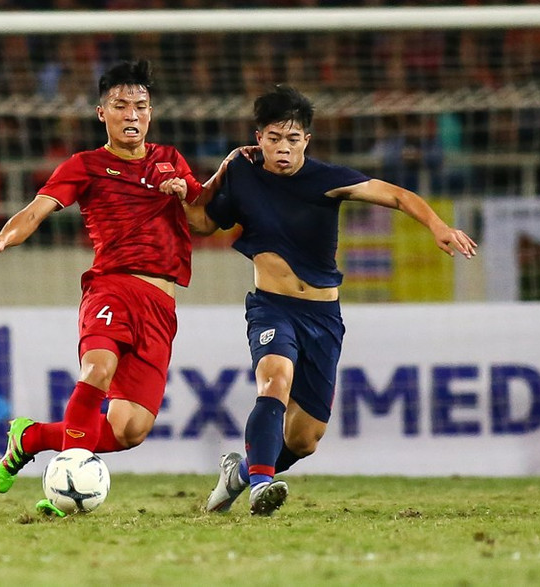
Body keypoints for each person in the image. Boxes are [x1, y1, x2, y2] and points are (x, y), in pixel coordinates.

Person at [182, 86, 477, 516]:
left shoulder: (326, 179)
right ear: (258, 137)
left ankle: (240, 474)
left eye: (293, 139)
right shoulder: (242, 172)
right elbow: (204, 223)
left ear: (307, 140)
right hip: (271, 307)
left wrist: (438, 226)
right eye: (274, 139)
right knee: (274, 380)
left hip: (322, 316)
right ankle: (262, 486)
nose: (283, 149)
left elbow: (397, 195)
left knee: (305, 439)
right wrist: (183, 191)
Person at [0, 60, 221, 501]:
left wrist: (186, 195)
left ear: (151, 113)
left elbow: (204, 225)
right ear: (101, 113)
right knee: (98, 369)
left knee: (130, 430)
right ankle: (65, 485)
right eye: (120, 105)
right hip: (112, 287)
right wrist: (3, 239)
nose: (131, 114)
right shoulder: (85, 165)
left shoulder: (170, 160)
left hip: (161, 305)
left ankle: (30, 438)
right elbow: (36, 210)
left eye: (140, 106)